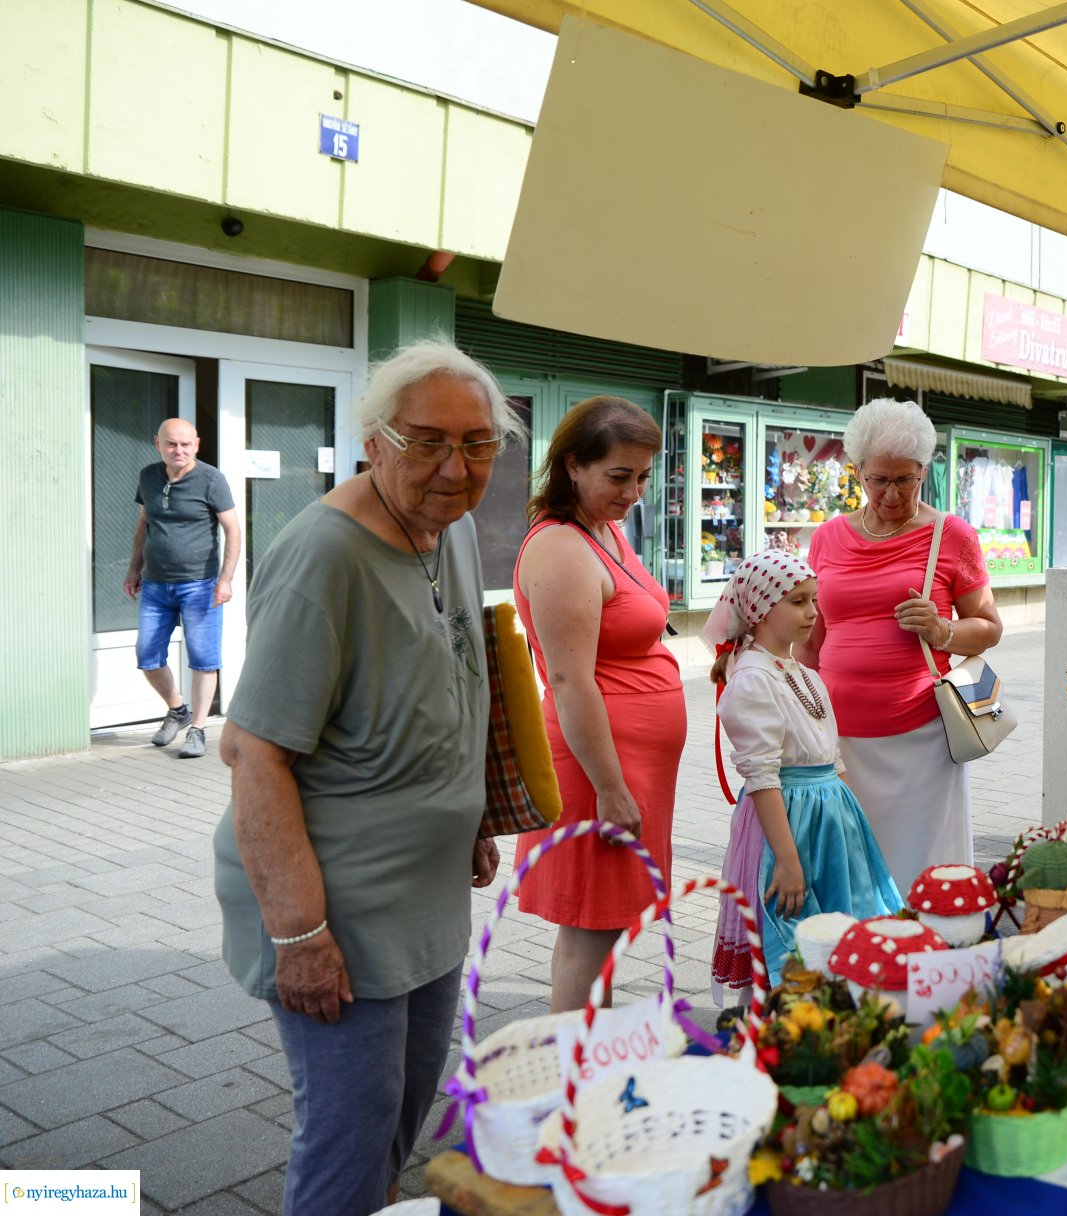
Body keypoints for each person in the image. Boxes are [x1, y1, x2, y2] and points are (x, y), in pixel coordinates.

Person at [214, 339, 520, 1215]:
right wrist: (298, 935)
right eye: (426, 441)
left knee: (396, 1124)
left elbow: (448, 683)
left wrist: (473, 815)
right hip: (336, 914)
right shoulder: (326, 557)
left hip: (425, 896)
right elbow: (254, 753)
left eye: (478, 442)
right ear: (374, 440)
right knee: (347, 1144)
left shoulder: (449, 528)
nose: (454, 468)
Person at [513, 396, 687, 1013]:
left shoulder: (604, 530)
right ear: (571, 468)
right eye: (619, 476)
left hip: (625, 763)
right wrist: (611, 788)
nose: (635, 491)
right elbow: (570, 681)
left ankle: (587, 1060)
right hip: (598, 767)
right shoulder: (562, 547)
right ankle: (575, 1075)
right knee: (591, 928)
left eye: (643, 476)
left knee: (602, 926)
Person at [800, 398, 1003, 883]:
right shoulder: (827, 537)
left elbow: (990, 627)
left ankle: (929, 950)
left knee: (922, 869)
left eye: (904, 480)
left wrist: (942, 631)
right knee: (848, 866)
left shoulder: (952, 535)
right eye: (878, 480)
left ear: (923, 472)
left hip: (921, 737)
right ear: (857, 473)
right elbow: (811, 636)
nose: (890, 494)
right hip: (840, 736)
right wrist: (800, 707)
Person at [705, 551, 902, 993]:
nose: (812, 612)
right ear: (758, 609)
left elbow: (832, 757)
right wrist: (788, 861)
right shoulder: (753, 679)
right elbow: (762, 777)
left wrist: (856, 830)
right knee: (795, 938)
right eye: (797, 602)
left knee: (840, 929)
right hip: (789, 824)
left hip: (830, 821)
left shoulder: (802, 673)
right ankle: (783, 1024)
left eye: (813, 600)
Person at [125, 418, 240, 758]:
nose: (179, 450)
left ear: (197, 445)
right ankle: (178, 709)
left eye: (186, 444)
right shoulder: (148, 476)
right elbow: (144, 523)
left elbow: (233, 530)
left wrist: (225, 579)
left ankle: (199, 729)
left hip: (200, 585)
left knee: (204, 660)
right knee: (147, 656)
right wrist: (135, 568)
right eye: (172, 444)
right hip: (157, 585)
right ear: (157, 443)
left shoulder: (211, 479)